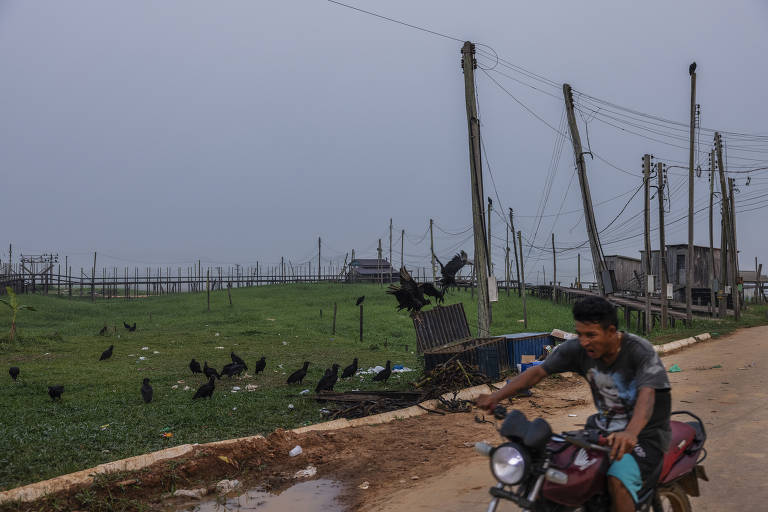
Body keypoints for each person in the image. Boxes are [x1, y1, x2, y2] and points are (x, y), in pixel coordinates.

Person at [476, 296, 670, 512]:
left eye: (591, 335)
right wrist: (496, 396)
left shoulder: (639, 352)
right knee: (551, 468)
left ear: (611, 331)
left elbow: (647, 397)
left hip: (645, 436)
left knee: (618, 479)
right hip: (601, 430)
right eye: (579, 334)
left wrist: (631, 433)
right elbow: (536, 373)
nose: (584, 341)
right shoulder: (579, 350)